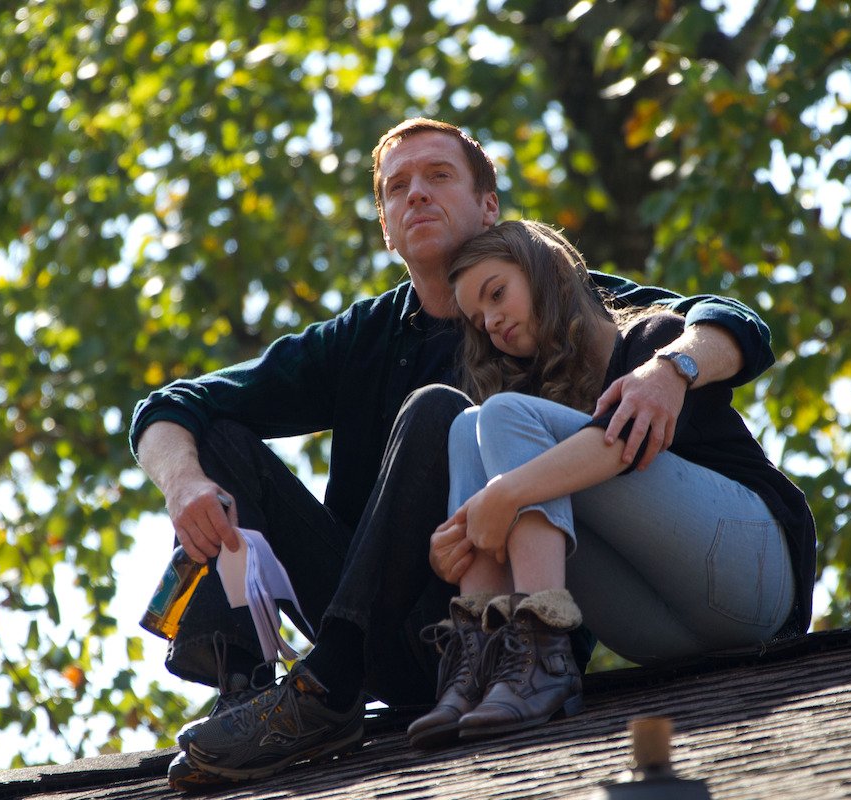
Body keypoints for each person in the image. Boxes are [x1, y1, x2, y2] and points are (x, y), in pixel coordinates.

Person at [128, 119, 784, 789]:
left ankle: (341, 683)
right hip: (373, 628)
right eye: (396, 187)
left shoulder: (556, 297)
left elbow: (732, 324)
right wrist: (183, 483)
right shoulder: (361, 339)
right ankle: (245, 690)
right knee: (214, 439)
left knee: (441, 412)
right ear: (386, 228)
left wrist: (671, 368)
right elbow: (171, 404)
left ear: (489, 206)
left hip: (499, 628)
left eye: (438, 176)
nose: (416, 194)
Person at [405, 220, 815, 747]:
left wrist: (504, 495)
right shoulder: (536, 403)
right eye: (479, 319)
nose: (492, 321)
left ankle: (542, 648)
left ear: (544, 270)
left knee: (503, 416)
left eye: (497, 293)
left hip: (753, 576)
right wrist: (462, 545)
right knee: (468, 424)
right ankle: (485, 660)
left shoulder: (655, 342)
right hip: (664, 634)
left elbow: (624, 446)